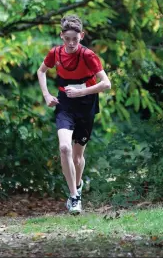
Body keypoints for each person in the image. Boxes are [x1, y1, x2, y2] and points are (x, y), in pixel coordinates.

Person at [37, 14, 111, 214]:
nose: (71, 43)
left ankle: (77, 187)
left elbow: (106, 83)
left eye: (75, 39)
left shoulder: (88, 55)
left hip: (86, 103)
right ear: (61, 36)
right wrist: (46, 95)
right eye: (67, 38)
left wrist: (82, 92)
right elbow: (41, 71)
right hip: (65, 103)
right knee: (64, 148)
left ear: (82, 36)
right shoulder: (55, 53)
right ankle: (74, 197)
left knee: (78, 159)